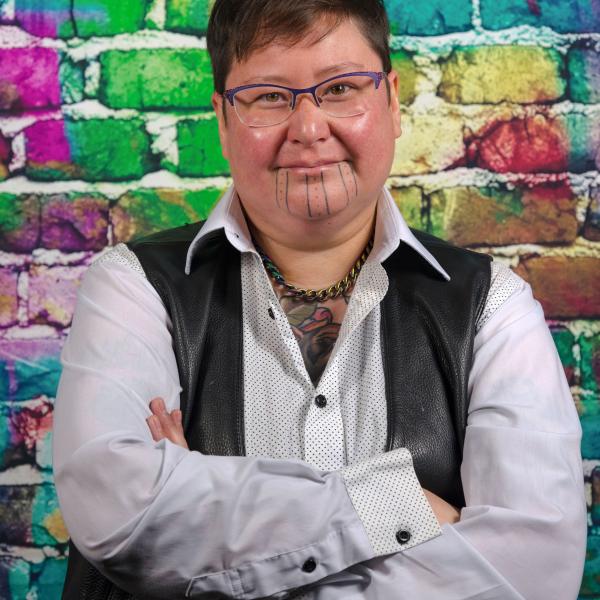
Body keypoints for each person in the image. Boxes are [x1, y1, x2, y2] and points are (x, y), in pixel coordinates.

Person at [52, 1, 587, 598]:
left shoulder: (494, 309)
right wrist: (396, 508)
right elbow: (119, 513)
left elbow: (534, 575)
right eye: (268, 96)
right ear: (223, 121)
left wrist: (208, 543)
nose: (308, 129)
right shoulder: (133, 287)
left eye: (340, 88)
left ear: (391, 100)